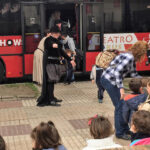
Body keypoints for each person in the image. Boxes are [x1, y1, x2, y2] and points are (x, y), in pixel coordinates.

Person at [100, 41, 148, 140]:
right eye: (144, 53)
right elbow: (117, 71)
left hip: (111, 80)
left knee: (122, 105)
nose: (145, 56)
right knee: (119, 106)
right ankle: (120, 132)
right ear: (140, 52)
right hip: (109, 80)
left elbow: (134, 74)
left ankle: (125, 129)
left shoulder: (130, 57)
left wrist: (146, 82)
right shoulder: (129, 57)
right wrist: (121, 88)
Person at [37, 27, 75, 107]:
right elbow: (48, 44)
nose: (59, 35)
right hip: (49, 63)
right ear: (54, 33)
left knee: (52, 81)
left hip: (54, 63)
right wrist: (52, 45)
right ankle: (50, 100)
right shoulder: (48, 39)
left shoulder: (57, 41)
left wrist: (70, 59)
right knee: (50, 81)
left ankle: (52, 97)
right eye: (58, 33)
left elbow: (62, 52)